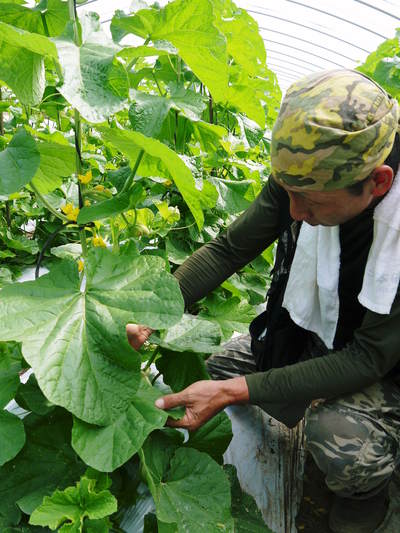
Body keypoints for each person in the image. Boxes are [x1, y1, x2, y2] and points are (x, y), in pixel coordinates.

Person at [127, 69, 400, 533]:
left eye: (308, 201)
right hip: (319, 333)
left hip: (386, 366)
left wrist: (236, 392)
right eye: (287, 194)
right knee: (206, 367)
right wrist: (150, 313)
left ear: (377, 183)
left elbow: (368, 359)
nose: (293, 214)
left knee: (340, 440)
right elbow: (231, 248)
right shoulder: (311, 172)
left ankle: (364, 502)